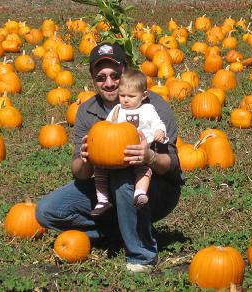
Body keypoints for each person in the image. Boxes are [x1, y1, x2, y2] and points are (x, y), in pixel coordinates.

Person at [36, 42, 184, 273]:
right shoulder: (87, 111)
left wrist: (150, 156)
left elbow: (172, 166)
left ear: (125, 70)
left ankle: (142, 255)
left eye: (115, 75)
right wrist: (86, 159)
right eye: (101, 77)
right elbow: (79, 172)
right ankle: (123, 230)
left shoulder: (152, 105)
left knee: (124, 182)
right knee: (47, 212)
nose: (109, 83)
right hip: (104, 185)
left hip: (154, 187)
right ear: (93, 79)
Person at [91, 68, 169, 217]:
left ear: (144, 95)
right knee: (100, 169)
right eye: (122, 95)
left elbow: (157, 123)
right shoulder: (117, 109)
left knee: (144, 170)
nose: (125, 100)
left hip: (138, 152)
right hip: (118, 152)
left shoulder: (148, 109)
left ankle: (140, 193)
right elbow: (107, 126)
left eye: (131, 96)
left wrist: (160, 131)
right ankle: (102, 199)